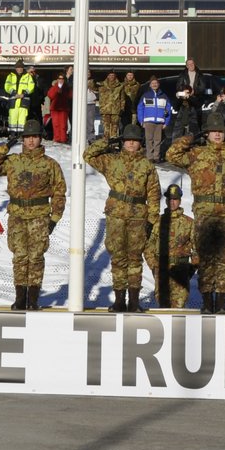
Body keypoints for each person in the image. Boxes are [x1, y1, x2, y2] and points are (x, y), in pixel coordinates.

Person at [165, 110, 225, 314]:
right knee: (205, 260)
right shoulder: (197, 154)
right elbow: (171, 155)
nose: (218, 135)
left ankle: (221, 303)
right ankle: (206, 302)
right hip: (204, 216)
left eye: (220, 131)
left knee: (222, 262)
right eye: (213, 131)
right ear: (207, 134)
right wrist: (190, 138)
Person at [0, 118, 66, 310]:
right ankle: (20, 297)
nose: (31, 141)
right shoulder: (14, 161)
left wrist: (54, 219)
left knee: (36, 257)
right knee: (20, 257)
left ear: (41, 138)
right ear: (23, 140)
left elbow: (59, 192)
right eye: (27, 137)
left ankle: (33, 299)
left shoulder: (50, 164)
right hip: (17, 215)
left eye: (35, 137)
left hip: (40, 216)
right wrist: (6, 146)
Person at [84, 123, 162, 313]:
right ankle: (119, 300)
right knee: (118, 258)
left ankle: (134, 301)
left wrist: (152, 220)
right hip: (116, 215)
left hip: (138, 216)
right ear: (123, 142)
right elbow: (88, 155)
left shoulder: (147, 166)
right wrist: (108, 141)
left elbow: (153, 194)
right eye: (128, 140)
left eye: (135, 141)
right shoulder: (112, 161)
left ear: (140, 143)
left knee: (135, 259)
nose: (131, 144)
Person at [145, 184, 196, 309]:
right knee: (163, 307)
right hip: (162, 271)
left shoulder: (189, 223)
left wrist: (191, 269)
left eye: (175, 199)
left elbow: (197, 248)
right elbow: (148, 246)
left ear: (180, 200)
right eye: (170, 199)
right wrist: (153, 267)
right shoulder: (158, 222)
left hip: (181, 271)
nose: (172, 202)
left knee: (179, 309)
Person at [135, 75, 173, 161]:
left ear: (158, 84)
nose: (154, 84)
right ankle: (150, 157)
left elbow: (168, 109)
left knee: (157, 140)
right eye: (152, 83)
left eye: (156, 83)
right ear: (150, 85)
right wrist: (141, 121)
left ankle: (156, 157)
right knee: (149, 140)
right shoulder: (146, 95)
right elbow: (140, 108)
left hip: (160, 122)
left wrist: (166, 122)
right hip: (148, 121)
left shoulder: (164, 96)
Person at [4, 60, 35, 134]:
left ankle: (21, 134)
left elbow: (31, 87)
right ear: (15, 68)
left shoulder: (28, 76)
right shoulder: (10, 76)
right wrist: (14, 93)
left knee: (22, 118)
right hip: (14, 100)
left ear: (23, 68)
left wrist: (24, 94)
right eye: (18, 67)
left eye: (21, 67)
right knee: (12, 117)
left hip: (23, 100)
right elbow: (6, 86)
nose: (19, 69)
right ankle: (12, 134)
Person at [96, 70, 128, 139]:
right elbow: (91, 86)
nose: (111, 77)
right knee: (106, 128)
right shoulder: (101, 85)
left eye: (113, 75)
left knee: (115, 127)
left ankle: (114, 144)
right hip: (105, 109)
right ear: (107, 76)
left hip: (115, 110)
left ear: (115, 76)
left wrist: (122, 108)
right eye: (110, 75)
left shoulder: (120, 86)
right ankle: (106, 142)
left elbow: (122, 98)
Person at [45, 73, 71, 144]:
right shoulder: (54, 87)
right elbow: (50, 95)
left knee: (63, 125)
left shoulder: (67, 87)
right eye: (59, 79)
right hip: (55, 109)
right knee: (56, 124)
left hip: (63, 109)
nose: (61, 80)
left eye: (62, 79)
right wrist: (56, 89)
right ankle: (57, 139)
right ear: (57, 80)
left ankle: (63, 139)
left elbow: (70, 95)